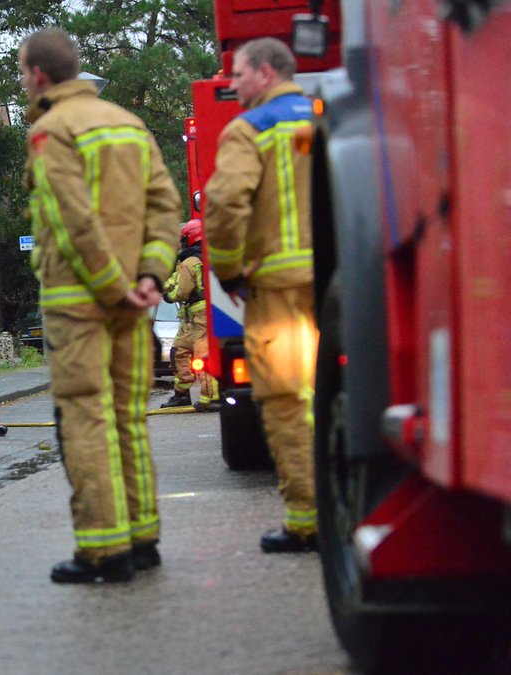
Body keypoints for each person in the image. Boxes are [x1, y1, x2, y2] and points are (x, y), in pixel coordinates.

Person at [19, 28, 182, 584]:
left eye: (21, 72)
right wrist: (149, 277)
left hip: (79, 304)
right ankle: (142, 539)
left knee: (86, 420)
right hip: (133, 302)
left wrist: (114, 284)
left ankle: (103, 551)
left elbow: (73, 220)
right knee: (128, 420)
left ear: (38, 75)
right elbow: (165, 207)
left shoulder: (50, 130)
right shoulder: (130, 125)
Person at [204, 37, 318, 554]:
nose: (232, 85)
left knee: (286, 399)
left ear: (267, 73)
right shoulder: (329, 114)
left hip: (278, 289)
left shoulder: (249, 129)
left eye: (240, 75)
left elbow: (226, 205)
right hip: (343, 285)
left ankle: (306, 519)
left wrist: (228, 271)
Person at [161, 219, 219, 411]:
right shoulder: (204, 258)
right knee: (179, 351)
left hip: (198, 317)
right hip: (192, 318)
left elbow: (182, 291)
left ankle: (209, 398)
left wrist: (169, 296)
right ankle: (181, 393)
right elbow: (175, 280)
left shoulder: (190, 261)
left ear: (189, 238)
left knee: (203, 357)